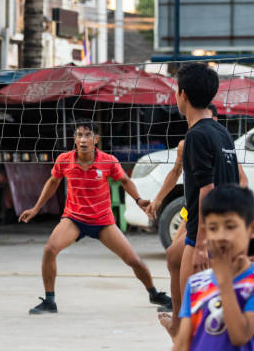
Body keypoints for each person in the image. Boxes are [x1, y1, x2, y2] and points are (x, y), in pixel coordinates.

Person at [18, 121, 172, 314]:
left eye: (88, 135)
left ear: (96, 139)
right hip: (74, 219)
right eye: (79, 135)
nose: (83, 139)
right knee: (50, 249)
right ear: (74, 139)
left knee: (134, 260)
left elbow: (124, 180)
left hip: (102, 221)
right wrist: (36, 208)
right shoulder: (65, 160)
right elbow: (53, 182)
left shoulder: (108, 161)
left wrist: (139, 200)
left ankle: (154, 294)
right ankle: (50, 301)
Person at [159, 64, 240, 338]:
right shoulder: (222, 133)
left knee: (196, 326)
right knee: (173, 256)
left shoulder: (196, 136)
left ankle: (181, 332)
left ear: (183, 95)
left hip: (204, 240)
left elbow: (208, 190)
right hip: (223, 234)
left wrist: (202, 246)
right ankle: (177, 328)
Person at [147, 104, 248, 317]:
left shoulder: (218, 140)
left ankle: (191, 315)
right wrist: (157, 200)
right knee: (173, 255)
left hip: (209, 212)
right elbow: (175, 172)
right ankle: (178, 313)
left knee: (197, 260)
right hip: (190, 209)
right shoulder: (188, 142)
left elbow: (240, 179)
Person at [173, 185, 254, 351]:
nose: (221, 235)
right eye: (213, 228)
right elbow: (183, 343)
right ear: (205, 232)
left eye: (230, 226)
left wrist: (224, 282)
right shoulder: (196, 283)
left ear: (252, 229)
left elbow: (240, 336)